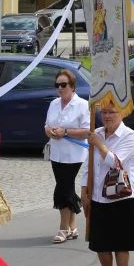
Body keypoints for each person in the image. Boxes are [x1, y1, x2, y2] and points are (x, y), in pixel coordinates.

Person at [81, 102, 134, 266]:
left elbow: (116, 162)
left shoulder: (129, 135)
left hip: (122, 195)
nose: (107, 116)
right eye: (104, 112)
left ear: (122, 113)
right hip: (99, 195)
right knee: (100, 243)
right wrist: (84, 189)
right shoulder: (97, 132)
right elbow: (87, 164)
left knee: (120, 243)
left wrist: (99, 144)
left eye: (112, 112)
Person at [44, 69, 89, 243]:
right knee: (66, 188)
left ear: (72, 86)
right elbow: (46, 125)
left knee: (63, 188)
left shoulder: (82, 105)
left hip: (74, 154)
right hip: (56, 153)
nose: (60, 88)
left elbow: (86, 131)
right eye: (57, 85)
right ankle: (73, 227)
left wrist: (66, 132)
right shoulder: (54, 103)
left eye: (63, 85)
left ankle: (63, 229)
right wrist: (50, 131)